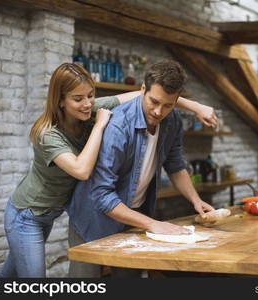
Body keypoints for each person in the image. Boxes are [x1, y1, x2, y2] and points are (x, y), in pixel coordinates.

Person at [0, 62, 217, 278]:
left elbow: (133, 97)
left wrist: (196, 106)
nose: (86, 103)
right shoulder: (49, 134)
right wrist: (100, 126)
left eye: (90, 96)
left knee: (9, 274)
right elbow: (82, 171)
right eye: (78, 98)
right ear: (61, 100)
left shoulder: (90, 109)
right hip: (28, 213)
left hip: (54, 211)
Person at [67, 59, 215, 277]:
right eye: (154, 101)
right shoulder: (119, 126)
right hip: (92, 218)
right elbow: (101, 195)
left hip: (132, 217)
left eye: (168, 105)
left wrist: (195, 200)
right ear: (142, 89)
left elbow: (175, 165)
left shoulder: (172, 121)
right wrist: (153, 224)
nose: (158, 111)